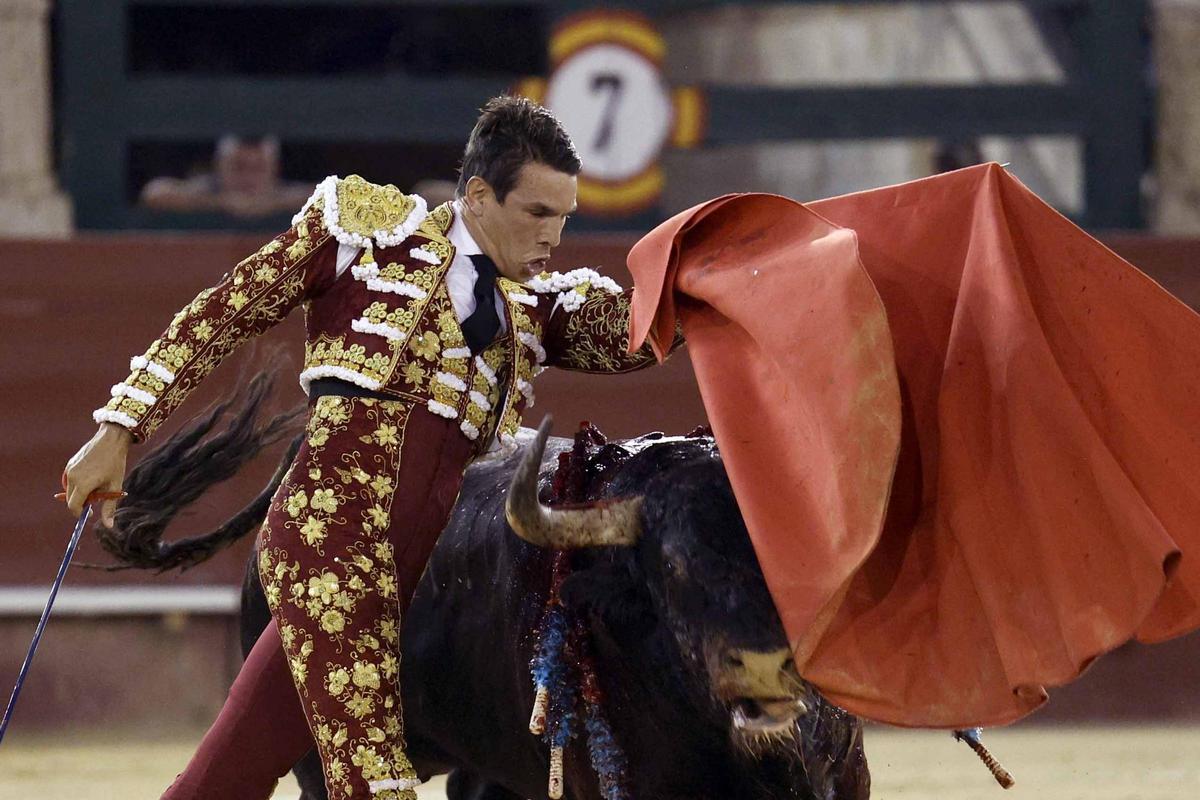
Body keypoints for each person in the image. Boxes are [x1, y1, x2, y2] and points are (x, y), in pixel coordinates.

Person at [63, 95, 683, 800]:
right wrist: (119, 428)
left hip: (410, 580)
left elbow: (638, 333)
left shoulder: (534, 305)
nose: (554, 237)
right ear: (480, 195)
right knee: (375, 782)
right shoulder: (368, 237)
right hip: (327, 546)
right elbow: (224, 312)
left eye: (565, 217)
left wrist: (718, 274)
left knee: (229, 772)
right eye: (537, 212)